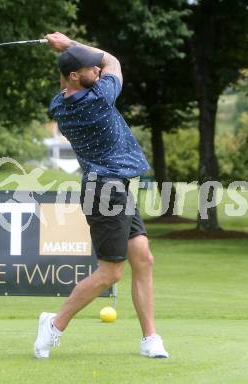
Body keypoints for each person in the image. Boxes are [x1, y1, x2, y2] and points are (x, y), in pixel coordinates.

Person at [34, 32, 169, 359]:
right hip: (106, 189)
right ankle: (55, 324)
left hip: (114, 185)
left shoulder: (60, 103)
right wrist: (68, 45)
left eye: (96, 69)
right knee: (111, 272)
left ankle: (150, 338)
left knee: (143, 258)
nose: (99, 71)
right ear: (76, 76)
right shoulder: (97, 99)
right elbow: (114, 61)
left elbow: (82, 73)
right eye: (91, 69)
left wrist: (71, 56)